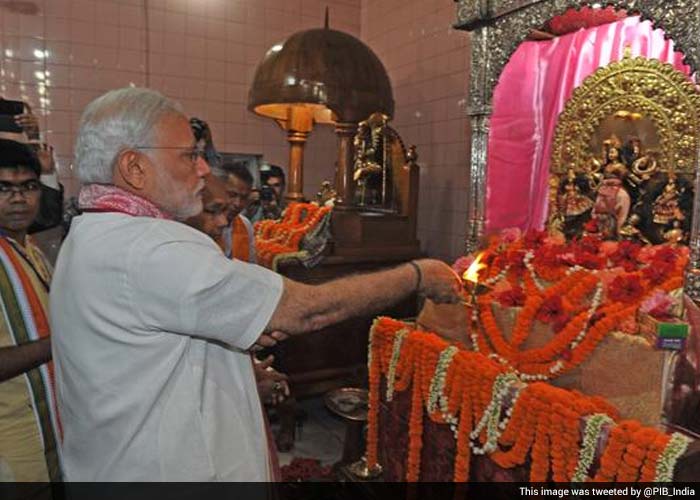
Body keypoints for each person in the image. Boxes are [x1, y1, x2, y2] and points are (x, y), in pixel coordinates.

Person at [49, 87, 461, 482]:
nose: (204, 169)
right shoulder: (150, 246)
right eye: (190, 155)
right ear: (134, 167)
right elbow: (307, 308)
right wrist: (418, 274)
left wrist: (239, 372)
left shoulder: (94, 232)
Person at [0, 139, 61, 482]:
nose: (19, 198)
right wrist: (59, 343)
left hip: (48, 441)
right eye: (4, 188)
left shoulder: (30, 248)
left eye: (28, 187)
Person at [222, 163, 256, 262]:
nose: (238, 203)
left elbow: (251, 266)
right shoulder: (202, 223)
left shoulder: (245, 225)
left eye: (244, 198)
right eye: (232, 195)